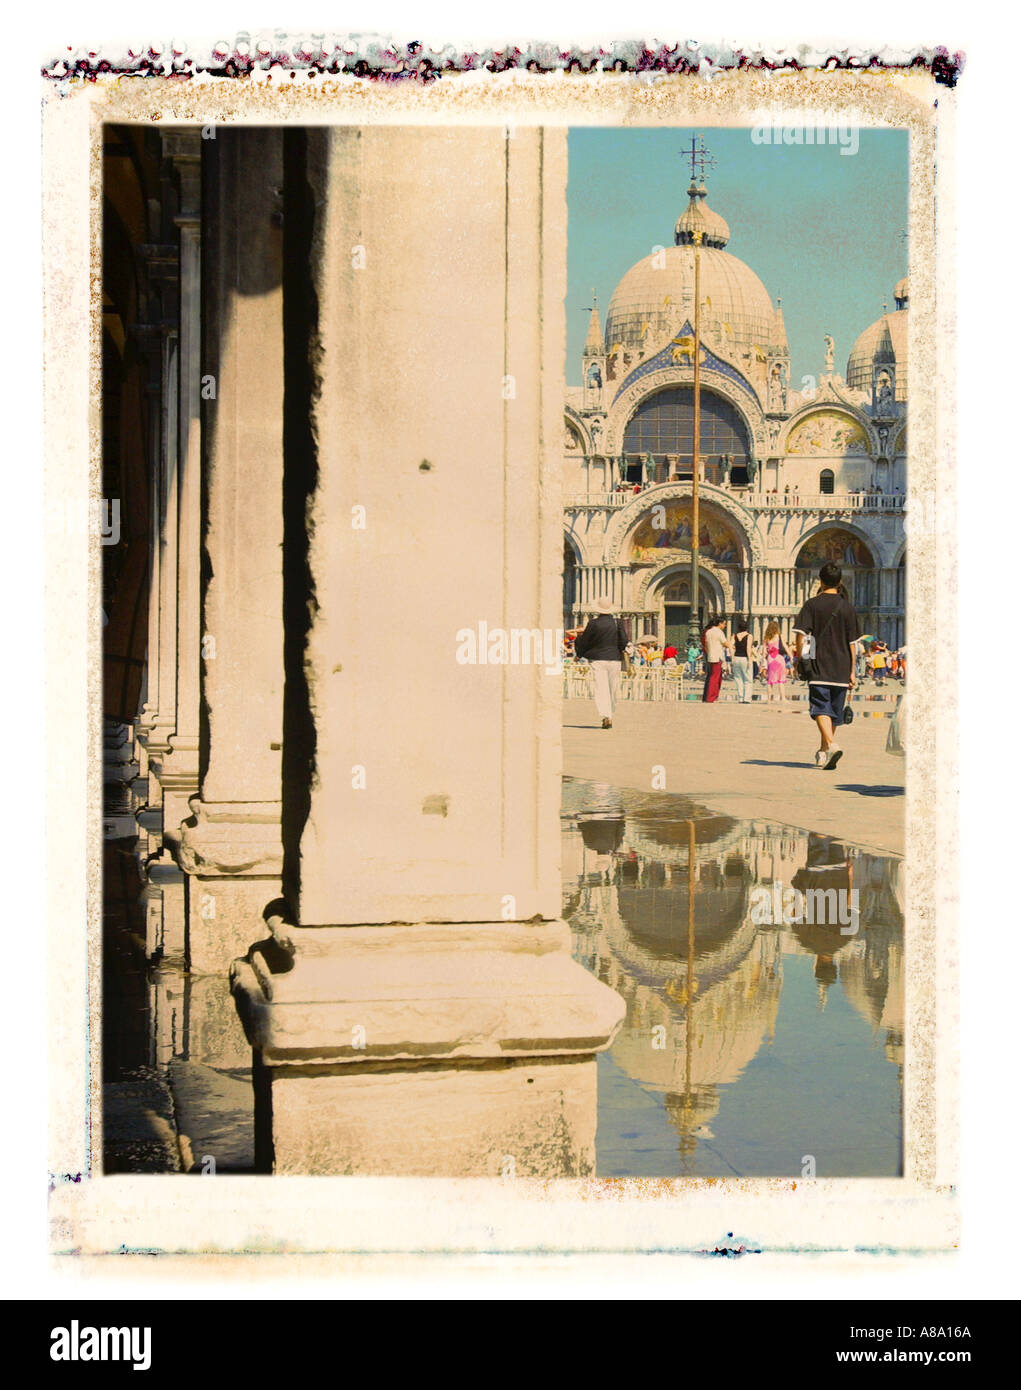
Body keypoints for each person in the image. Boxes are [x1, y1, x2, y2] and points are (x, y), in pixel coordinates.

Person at [793, 560, 862, 770]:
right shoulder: (848, 608)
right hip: (842, 668)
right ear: (840, 581)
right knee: (833, 711)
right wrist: (852, 671)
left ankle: (831, 745)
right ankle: (823, 753)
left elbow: (800, 635)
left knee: (820, 708)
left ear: (820, 581)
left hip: (819, 665)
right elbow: (853, 645)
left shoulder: (812, 604)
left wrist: (801, 656)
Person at [573, 596, 630, 729]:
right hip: (614, 659)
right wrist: (620, 650)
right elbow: (624, 641)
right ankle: (610, 714)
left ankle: (606, 716)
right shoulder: (617, 623)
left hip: (598, 659)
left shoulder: (593, 623)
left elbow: (585, 641)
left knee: (601, 688)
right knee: (613, 688)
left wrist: (579, 653)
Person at [701, 617, 730, 703]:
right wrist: (732, 641)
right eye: (724, 624)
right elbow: (726, 644)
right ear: (720, 623)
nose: (724, 626)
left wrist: (710, 652)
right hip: (717, 657)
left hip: (711, 656)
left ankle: (709, 697)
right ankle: (712, 697)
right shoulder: (719, 632)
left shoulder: (708, 632)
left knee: (712, 676)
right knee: (715, 678)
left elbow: (706, 645)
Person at [762, 621, 789, 705]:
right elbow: (785, 646)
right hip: (779, 658)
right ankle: (783, 699)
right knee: (781, 680)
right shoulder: (779, 636)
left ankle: (769, 699)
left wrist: (763, 661)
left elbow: (764, 652)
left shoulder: (766, 638)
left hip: (770, 659)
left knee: (770, 680)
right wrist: (790, 655)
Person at [731, 617, 753, 704]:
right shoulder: (749, 636)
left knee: (738, 678)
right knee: (748, 679)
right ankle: (747, 698)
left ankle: (740, 697)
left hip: (736, 658)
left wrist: (732, 656)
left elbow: (730, 646)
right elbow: (748, 648)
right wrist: (750, 659)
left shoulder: (735, 636)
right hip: (744, 658)